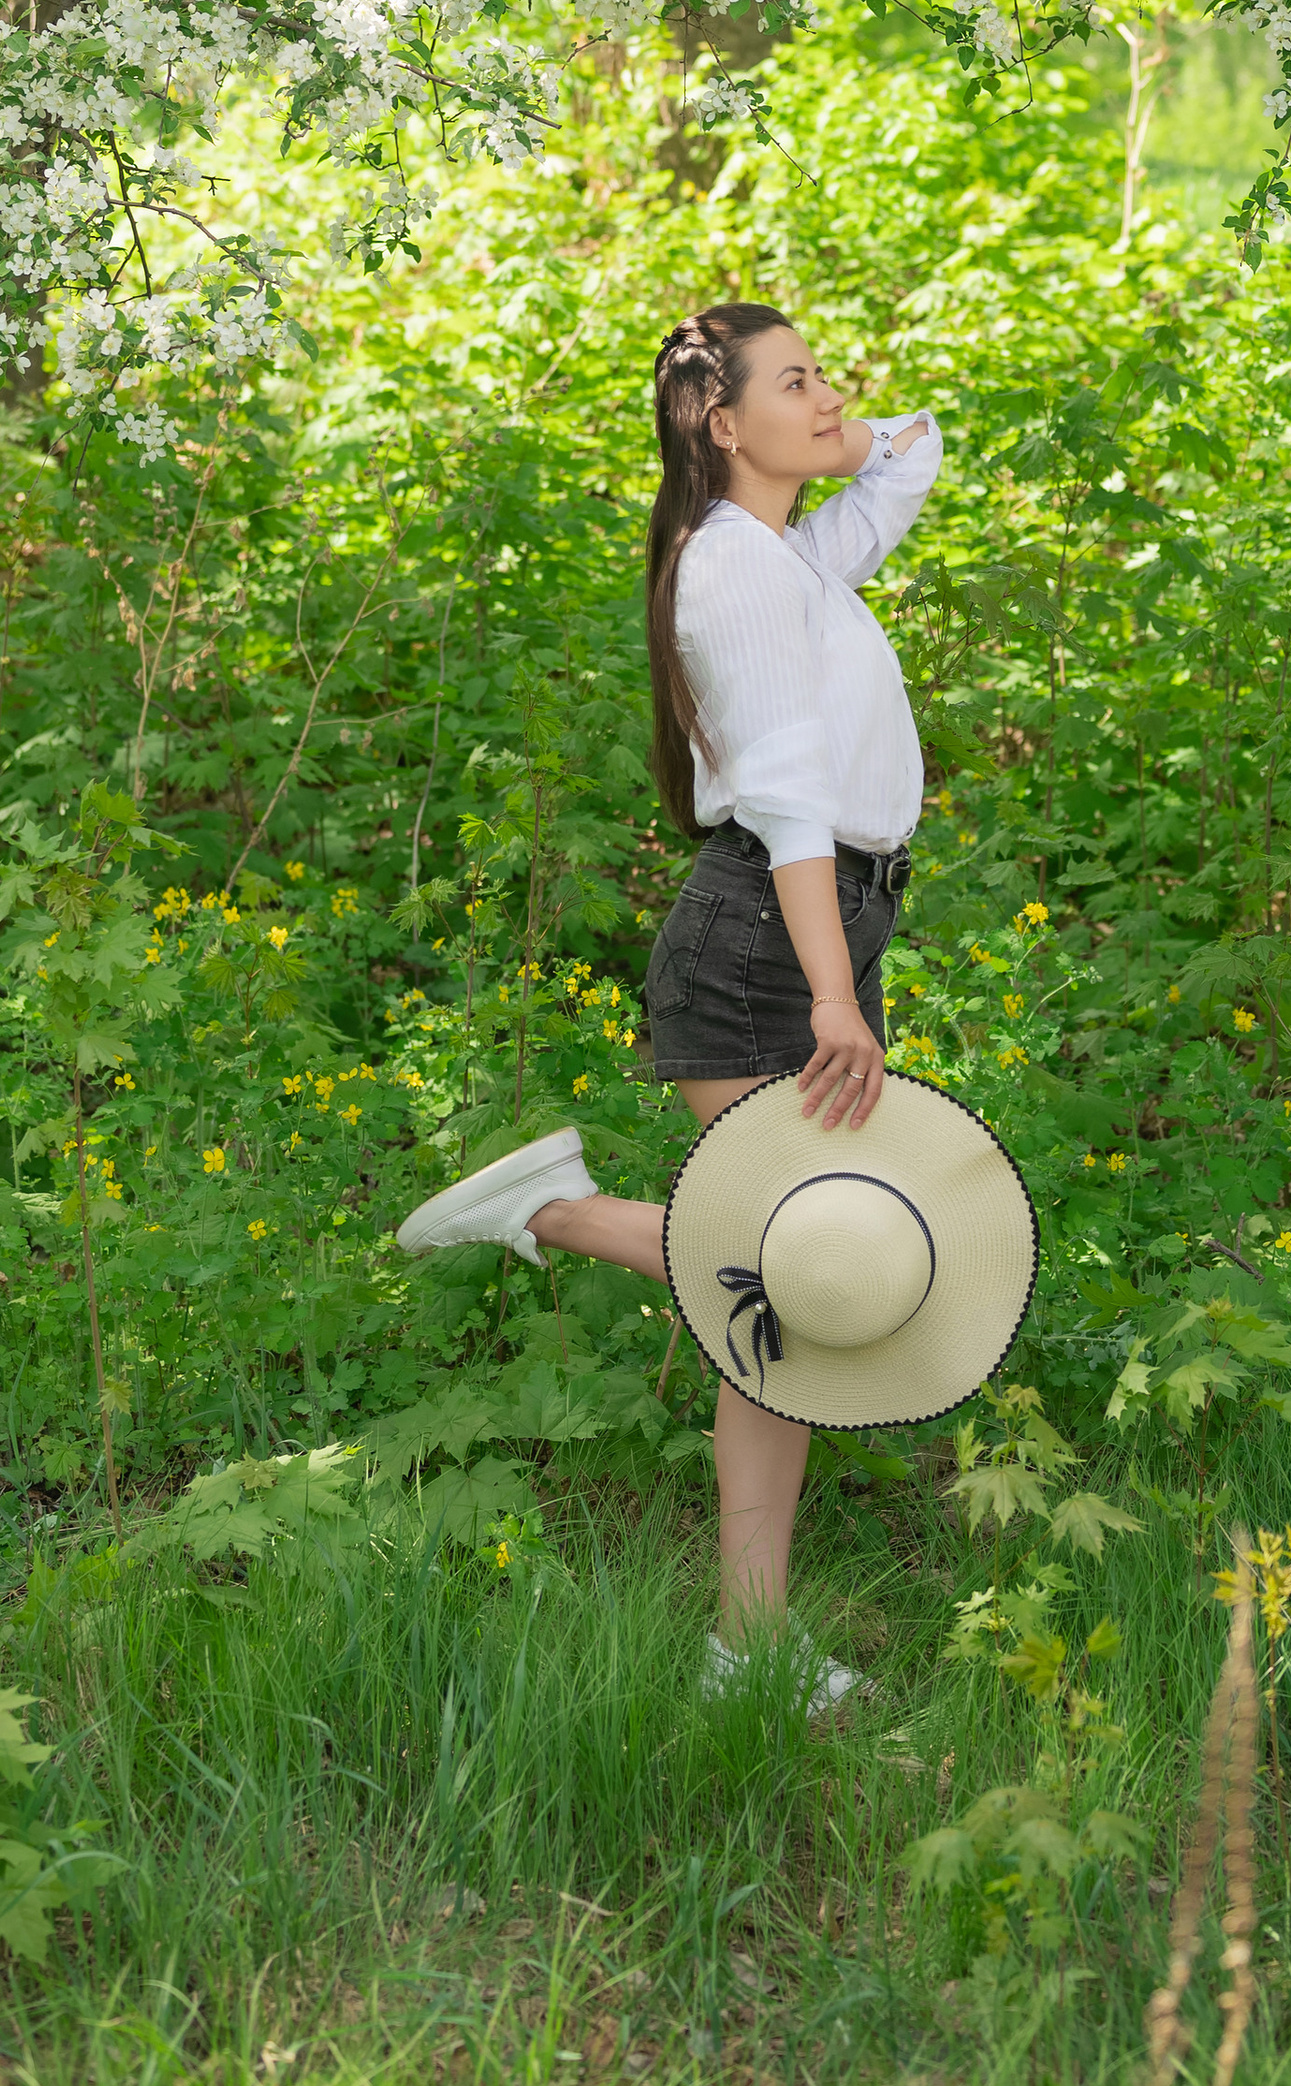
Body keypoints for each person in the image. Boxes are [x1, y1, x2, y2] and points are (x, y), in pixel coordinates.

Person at [397, 299, 942, 1696]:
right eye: (797, 381)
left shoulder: (784, 554)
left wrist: (832, 427)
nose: (832, 397)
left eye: (829, 371)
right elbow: (788, 796)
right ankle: (548, 1211)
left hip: (814, 925)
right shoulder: (734, 572)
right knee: (803, 1263)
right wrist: (835, 991)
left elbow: (914, 458)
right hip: (770, 941)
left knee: (798, 1284)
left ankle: (746, 1643)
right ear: (719, 422)